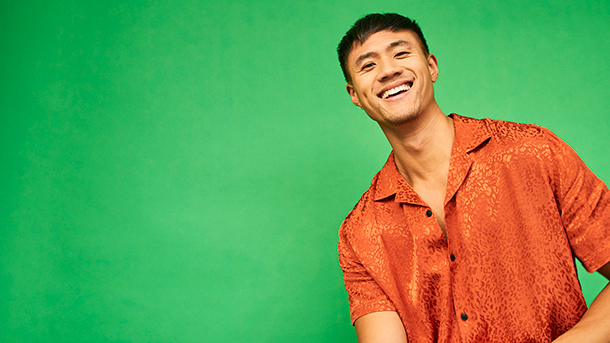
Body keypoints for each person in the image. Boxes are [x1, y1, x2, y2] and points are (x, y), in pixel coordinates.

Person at [336, 13, 610, 343]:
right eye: (368, 65)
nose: (388, 70)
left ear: (432, 66)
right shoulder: (360, 233)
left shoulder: (533, 152)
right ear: (355, 94)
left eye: (401, 52)